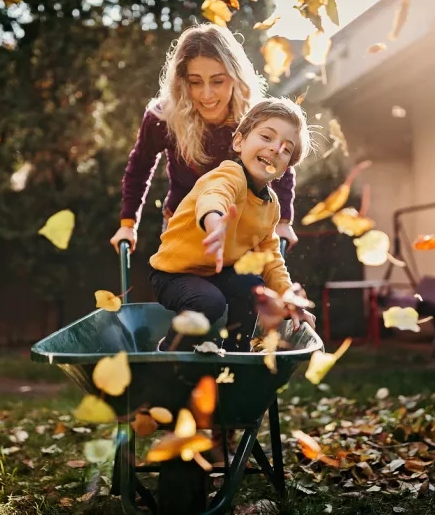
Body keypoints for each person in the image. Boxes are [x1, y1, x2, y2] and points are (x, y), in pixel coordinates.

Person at [109, 23, 300, 255]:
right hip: (182, 226)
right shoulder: (164, 118)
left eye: (217, 81)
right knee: (186, 291)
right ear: (182, 81)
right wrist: (128, 224)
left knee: (243, 291)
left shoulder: (255, 120)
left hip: (241, 228)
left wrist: (283, 222)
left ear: (235, 77)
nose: (206, 94)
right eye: (195, 82)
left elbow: (278, 163)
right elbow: (139, 167)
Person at [148, 97, 316, 353]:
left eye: (286, 149)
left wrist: (290, 300)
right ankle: (171, 351)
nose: (274, 149)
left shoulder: (270, 206)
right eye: (267, 137)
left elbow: (270, 258)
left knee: (253, 288)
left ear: (284, 169)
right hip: (174, 273)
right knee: (209, 302)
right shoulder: (229, 174)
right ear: (239, 142)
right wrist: (215, 222)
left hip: (216, 272)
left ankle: (237, 353)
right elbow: (215, 195)